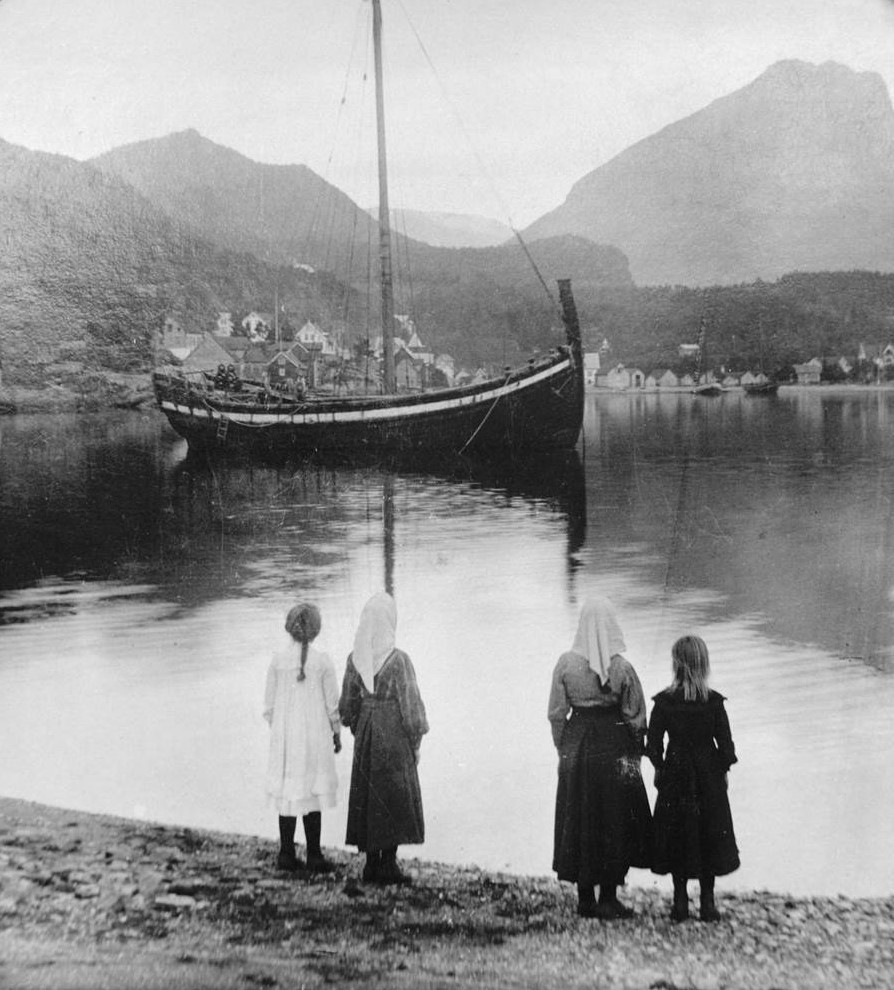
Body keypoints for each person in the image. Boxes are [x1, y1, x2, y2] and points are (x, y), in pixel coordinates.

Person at [548, 597, 652, 919]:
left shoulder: (565, 663)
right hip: (614, 744)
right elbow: (636, 717)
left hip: (576, 744)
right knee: (615, 816)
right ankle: (608, 895)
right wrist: (634, 753)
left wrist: (564, 749)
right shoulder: (621, 667)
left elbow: (556, 713)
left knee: (579, 815)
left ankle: (584, 897)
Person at [646, 634, 739, 922]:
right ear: (704, 664)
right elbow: (726, 746)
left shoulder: (664, 702)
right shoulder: (713, 702)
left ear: (676, 664)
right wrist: (722, 771)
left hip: (676, 773)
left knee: (677, 833)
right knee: (709, 833)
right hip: (708, 776)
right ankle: (708, 904)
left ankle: (680, 902)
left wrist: (660, 767)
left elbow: (653, 743)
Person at [339, 592, 428, 884]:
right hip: (393, 733)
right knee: (393, 795)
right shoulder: (399, 661)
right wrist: (415, 742)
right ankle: (388, 864)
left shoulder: (355, 659)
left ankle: (370, 864)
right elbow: (412, 708)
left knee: (368, 794)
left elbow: (347, 708)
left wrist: (360, 726)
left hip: (367, 729)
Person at [263, 602, 342, 873]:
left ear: (290, 629)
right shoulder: (323, 662)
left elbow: (269, 707)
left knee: (288, 792)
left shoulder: (277, 660)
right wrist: (336, 733)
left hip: (286, 739)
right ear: (316, 631)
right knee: (313, 792)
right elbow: (333, 706)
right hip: (314, 739)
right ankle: (314, 854)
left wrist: (281, 732)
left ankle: (286, 852)